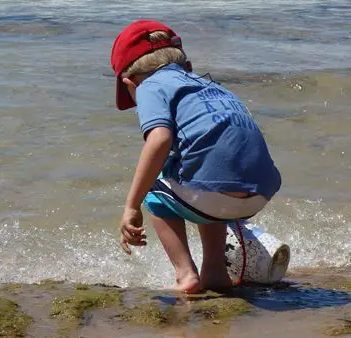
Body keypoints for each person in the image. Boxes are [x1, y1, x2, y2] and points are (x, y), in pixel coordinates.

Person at [111, 20, 281, 294]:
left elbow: (160, 139)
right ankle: (215, 272)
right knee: (202, 170)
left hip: (217, 199)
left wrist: (132, 206)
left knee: (154, 187)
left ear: (130, 82)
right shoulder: (212, 87)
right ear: (185, 66)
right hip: (259, 194)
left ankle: (184, 275)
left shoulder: (149, 86)